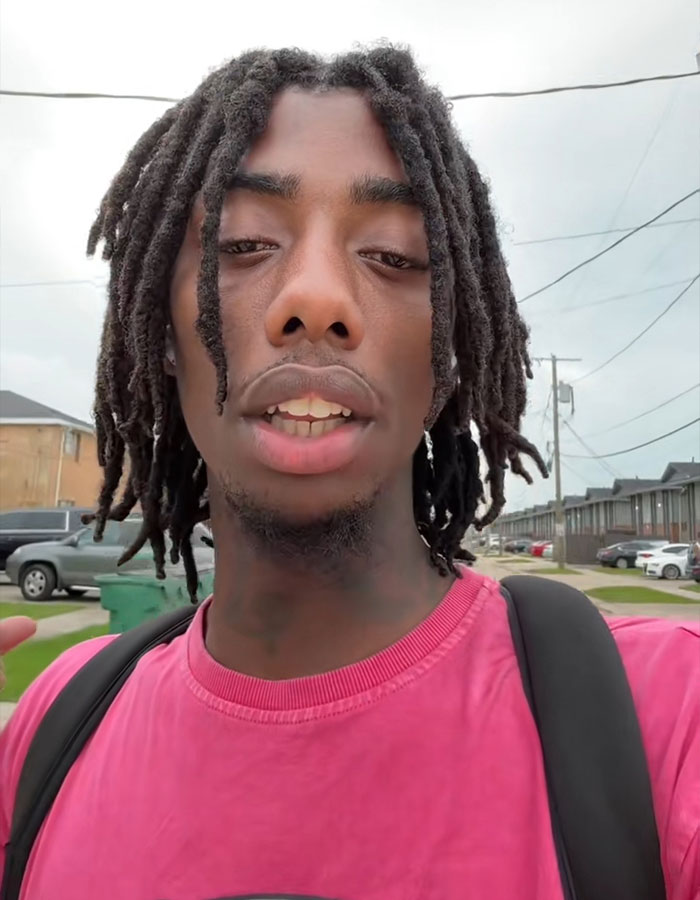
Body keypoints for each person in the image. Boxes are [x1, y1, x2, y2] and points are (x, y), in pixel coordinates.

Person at [0, 47, 698, 899]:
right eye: (245, 242)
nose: (317, 299)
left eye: (395, 256)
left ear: (449, 348)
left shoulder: (666, 716)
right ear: (160, 328)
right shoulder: (53, 726)